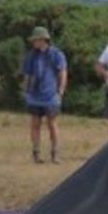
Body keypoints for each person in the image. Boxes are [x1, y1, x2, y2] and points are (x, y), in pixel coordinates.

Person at [21, 25, 68, 163]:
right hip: (34, 95)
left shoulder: (56, 54)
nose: (34, 42)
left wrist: (61, 90)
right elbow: (27, 75)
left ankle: (55, 153)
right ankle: (36, 153)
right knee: (35, 124)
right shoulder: (31, 55)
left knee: (52, 124)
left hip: (51, 95)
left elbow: (62, 72)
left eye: (36, 40)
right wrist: (26, 91)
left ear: (43, 40)